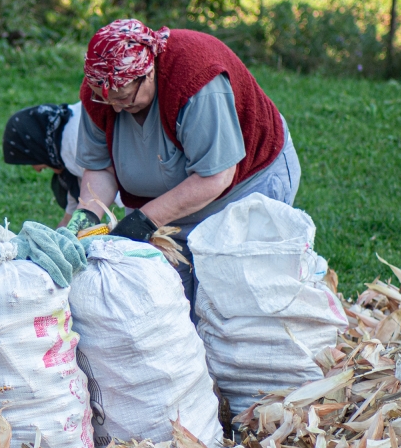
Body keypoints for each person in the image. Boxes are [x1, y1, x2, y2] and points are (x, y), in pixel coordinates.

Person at [64, 19, 301, 306]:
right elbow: (100, 167)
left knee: (228, 302)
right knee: (165, 304)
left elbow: (216, 176)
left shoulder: (196, 81)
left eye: (124, 98)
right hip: (163, 204)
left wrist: (143, 221)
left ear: (148, 73)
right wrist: (84, 218)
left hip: (244, 187)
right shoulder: (103, 88)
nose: (115, 107)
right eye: (107, 100)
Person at [2, 102, 88, 227]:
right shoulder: (65, 131)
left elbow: (103, 188)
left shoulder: (74, 146)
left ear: (36, 145)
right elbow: (80, 199)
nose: (36, 169)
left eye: (31, 160)